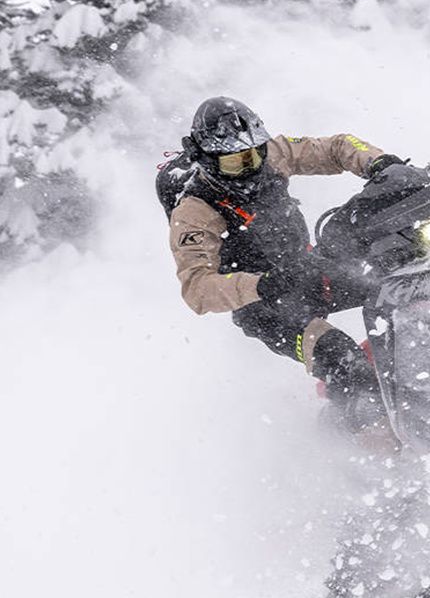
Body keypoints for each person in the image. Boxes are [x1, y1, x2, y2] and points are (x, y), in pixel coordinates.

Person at [154, 96, 404, 426]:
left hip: (308, 271)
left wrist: (380, 164)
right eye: (234, 163)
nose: (248, 167)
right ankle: (360, 439)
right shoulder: (194, 213)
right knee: (344, 362)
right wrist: (261, 284)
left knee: (397, 281)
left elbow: (336, 147)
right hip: (265, 307)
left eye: (253, 155)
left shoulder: (270, 156)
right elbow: (198, 290)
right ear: (208, 161)